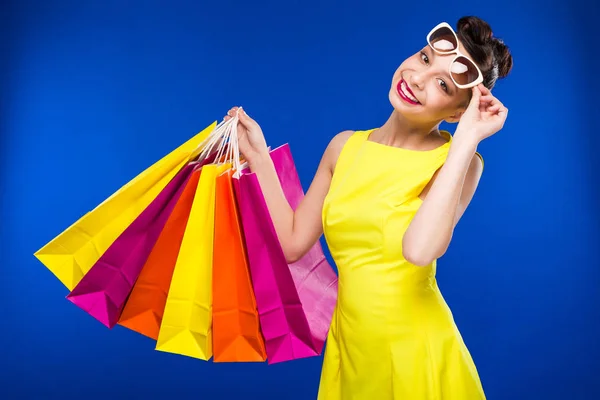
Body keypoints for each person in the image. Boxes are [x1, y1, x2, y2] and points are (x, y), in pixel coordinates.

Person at [224, 15, 512, 400]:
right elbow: (293, 243)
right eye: (425, 59)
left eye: (443, 85)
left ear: (458, 112)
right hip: (352, 350)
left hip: (417, 352)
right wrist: (259, 157)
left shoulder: (458, 161)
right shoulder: (344, 147)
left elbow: (419, 249)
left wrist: (467, 140)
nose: (418, 79)